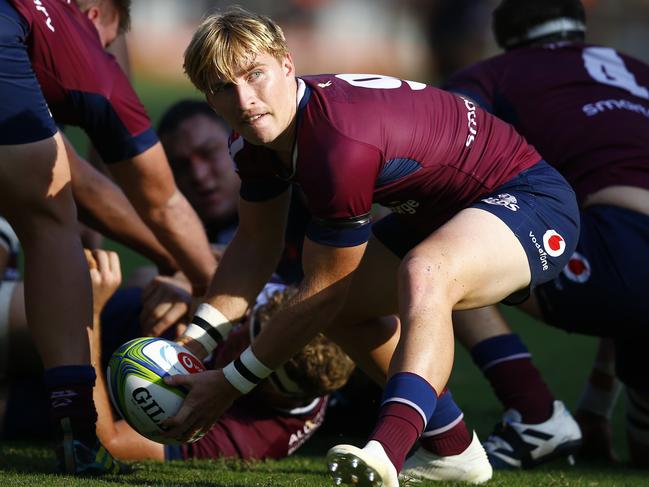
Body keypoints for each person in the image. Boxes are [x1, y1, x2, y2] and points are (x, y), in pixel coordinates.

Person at [159, 8, 580, 487]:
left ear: (287, 64)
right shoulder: (252, 137)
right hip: (439, 209)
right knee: (348, 312)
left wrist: (231, 381)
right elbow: (255, 245)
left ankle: (387, 451)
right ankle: (453, 450)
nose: (246, 99)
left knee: (423, 272)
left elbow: (324, 290)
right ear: (207, 98)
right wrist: (193, 344)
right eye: (221, 87)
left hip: (531, 200)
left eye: (255, 75)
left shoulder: (337, 144)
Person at [0, 0, 215, 475]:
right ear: (95, 15)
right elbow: (161, 201)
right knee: (49, 215)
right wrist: (215, 289)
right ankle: (75, 428)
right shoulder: (84, 48)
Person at [443, 0, 649, 469]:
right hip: (625, 257)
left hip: (618, 258)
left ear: (504, 32)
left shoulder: (494, 74)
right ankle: (594, 415)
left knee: (432, 240)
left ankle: (535, 413)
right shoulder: (635, 68)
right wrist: (596, 405)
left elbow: (443, 143)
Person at [83, 249, 355, 462]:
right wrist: (185, 282)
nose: (234, 351)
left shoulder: (248, 436)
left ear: (280, 395)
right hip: (124, 319)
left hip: (82, 381)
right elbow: (202, 256)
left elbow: (110, 443)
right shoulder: (280, 301)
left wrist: (87, 317)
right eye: (245, 336)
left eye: (254, 363)